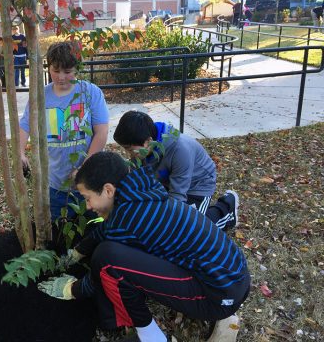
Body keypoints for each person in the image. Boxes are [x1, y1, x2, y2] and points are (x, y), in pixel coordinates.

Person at [38, 151, 250, 342]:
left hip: (217, 295)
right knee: (110, 251)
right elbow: (108, 229)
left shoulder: (127, 220)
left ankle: (151, 337)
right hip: (234, 276)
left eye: (88, 198)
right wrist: (78, 252)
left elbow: (103, 269)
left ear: (108, 190)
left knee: (107, 258)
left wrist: (73, 290)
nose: (88, 206)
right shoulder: (139, 194)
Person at [19, 41, 109, 226]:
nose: (60, 77)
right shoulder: (39, 96)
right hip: (54, 183)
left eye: (67, 72)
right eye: (55, 70)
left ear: (77, 68)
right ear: (48, 67)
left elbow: (101, 132)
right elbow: (25, 125)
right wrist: (19, 152)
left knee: (93, 228)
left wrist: (84, 169)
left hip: (89, 181)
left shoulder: (90, 92)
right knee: (60, 228)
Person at [113, 111, 238, 231]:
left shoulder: (180, 150)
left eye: (129, 149)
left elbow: (178, 196)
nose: (127, 154)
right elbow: (138, 182)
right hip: (167, 182)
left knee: (191, 228)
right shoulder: (141, 149)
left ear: (148, 141)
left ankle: (226, 209)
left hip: (198, 185)